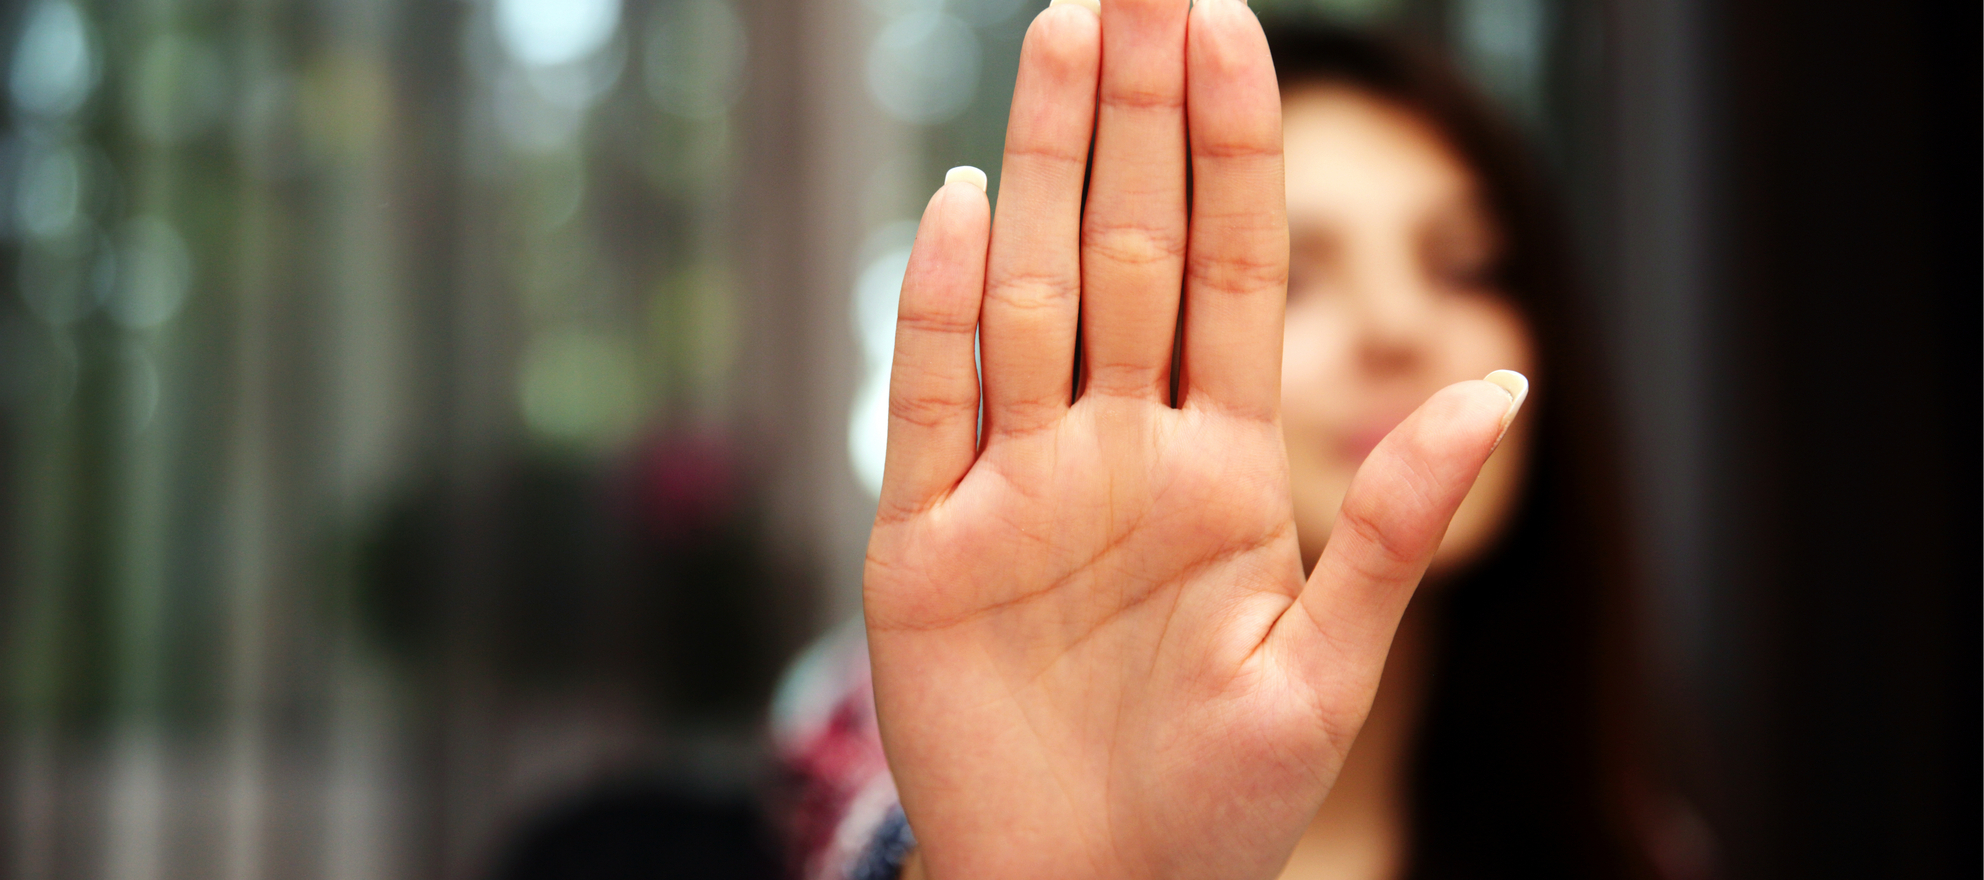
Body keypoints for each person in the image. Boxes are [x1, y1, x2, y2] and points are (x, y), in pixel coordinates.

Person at [775, 3, 1709, 878]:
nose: (1397, 324)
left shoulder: (1629, 839)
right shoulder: (866, 743)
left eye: (1467, 268)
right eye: (1297, 277)